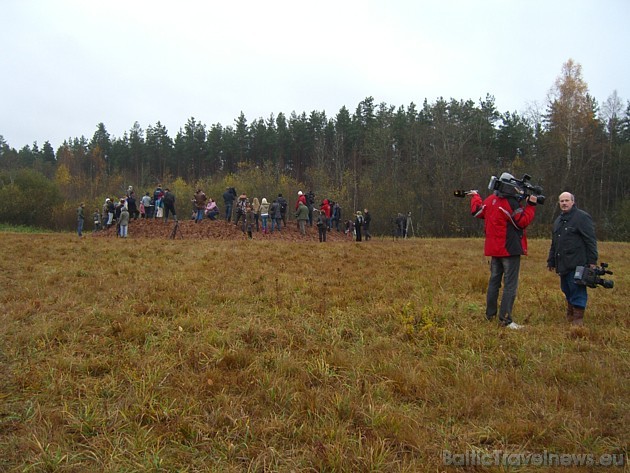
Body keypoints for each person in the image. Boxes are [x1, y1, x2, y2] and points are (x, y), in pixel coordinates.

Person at [469, 172, 537, 329]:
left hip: (494, 250)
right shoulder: (510, 203)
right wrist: (531, 206)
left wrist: (475, 196)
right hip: (509, 249)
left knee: (494, 282)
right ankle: (505, 320)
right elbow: (522, 221)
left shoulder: (491, 200)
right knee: (510, 285)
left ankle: (490, 315)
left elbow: (477, 211)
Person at [547, 192, 598, 325]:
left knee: (577, 289)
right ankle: (570, 313)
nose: (564, 203)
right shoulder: (558, 220)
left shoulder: (581, 217)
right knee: (566, 288)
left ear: (573, 202)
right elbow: (554, 243)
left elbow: (590, 240)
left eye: (567, 201)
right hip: (562, 263)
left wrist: (592, 261)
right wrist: (551, 260)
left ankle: (578, 318)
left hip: (578, 262)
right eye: (562, 201)